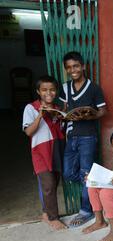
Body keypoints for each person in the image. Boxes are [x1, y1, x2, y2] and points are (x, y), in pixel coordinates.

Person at [59, 51, 107, 227]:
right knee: (69, 173)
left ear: (83, 66)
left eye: (76, 66)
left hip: (88, 136)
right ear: (66, 70)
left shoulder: (93, 88)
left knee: (86, 172)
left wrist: (91, 115)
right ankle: (96, 185)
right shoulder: (65, 88)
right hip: (71, 136)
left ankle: (86, 211)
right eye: (69, 67)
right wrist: (63, 115)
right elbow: (64, 109)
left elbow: (103, 110)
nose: (73, 70)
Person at [22, 75, 66, 230]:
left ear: (56, 91)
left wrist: (63, 116)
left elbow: (60, 129)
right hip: (40, 152)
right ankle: (54, 218)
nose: (49, 93)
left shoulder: (57, 109)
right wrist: (40, 116)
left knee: (54, 183)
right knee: (48, 184)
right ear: (38, 92)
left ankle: (46, 214)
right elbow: (28, 132)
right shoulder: (31, 108)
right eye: (44, 90)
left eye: (52, 89)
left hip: (56, 150)